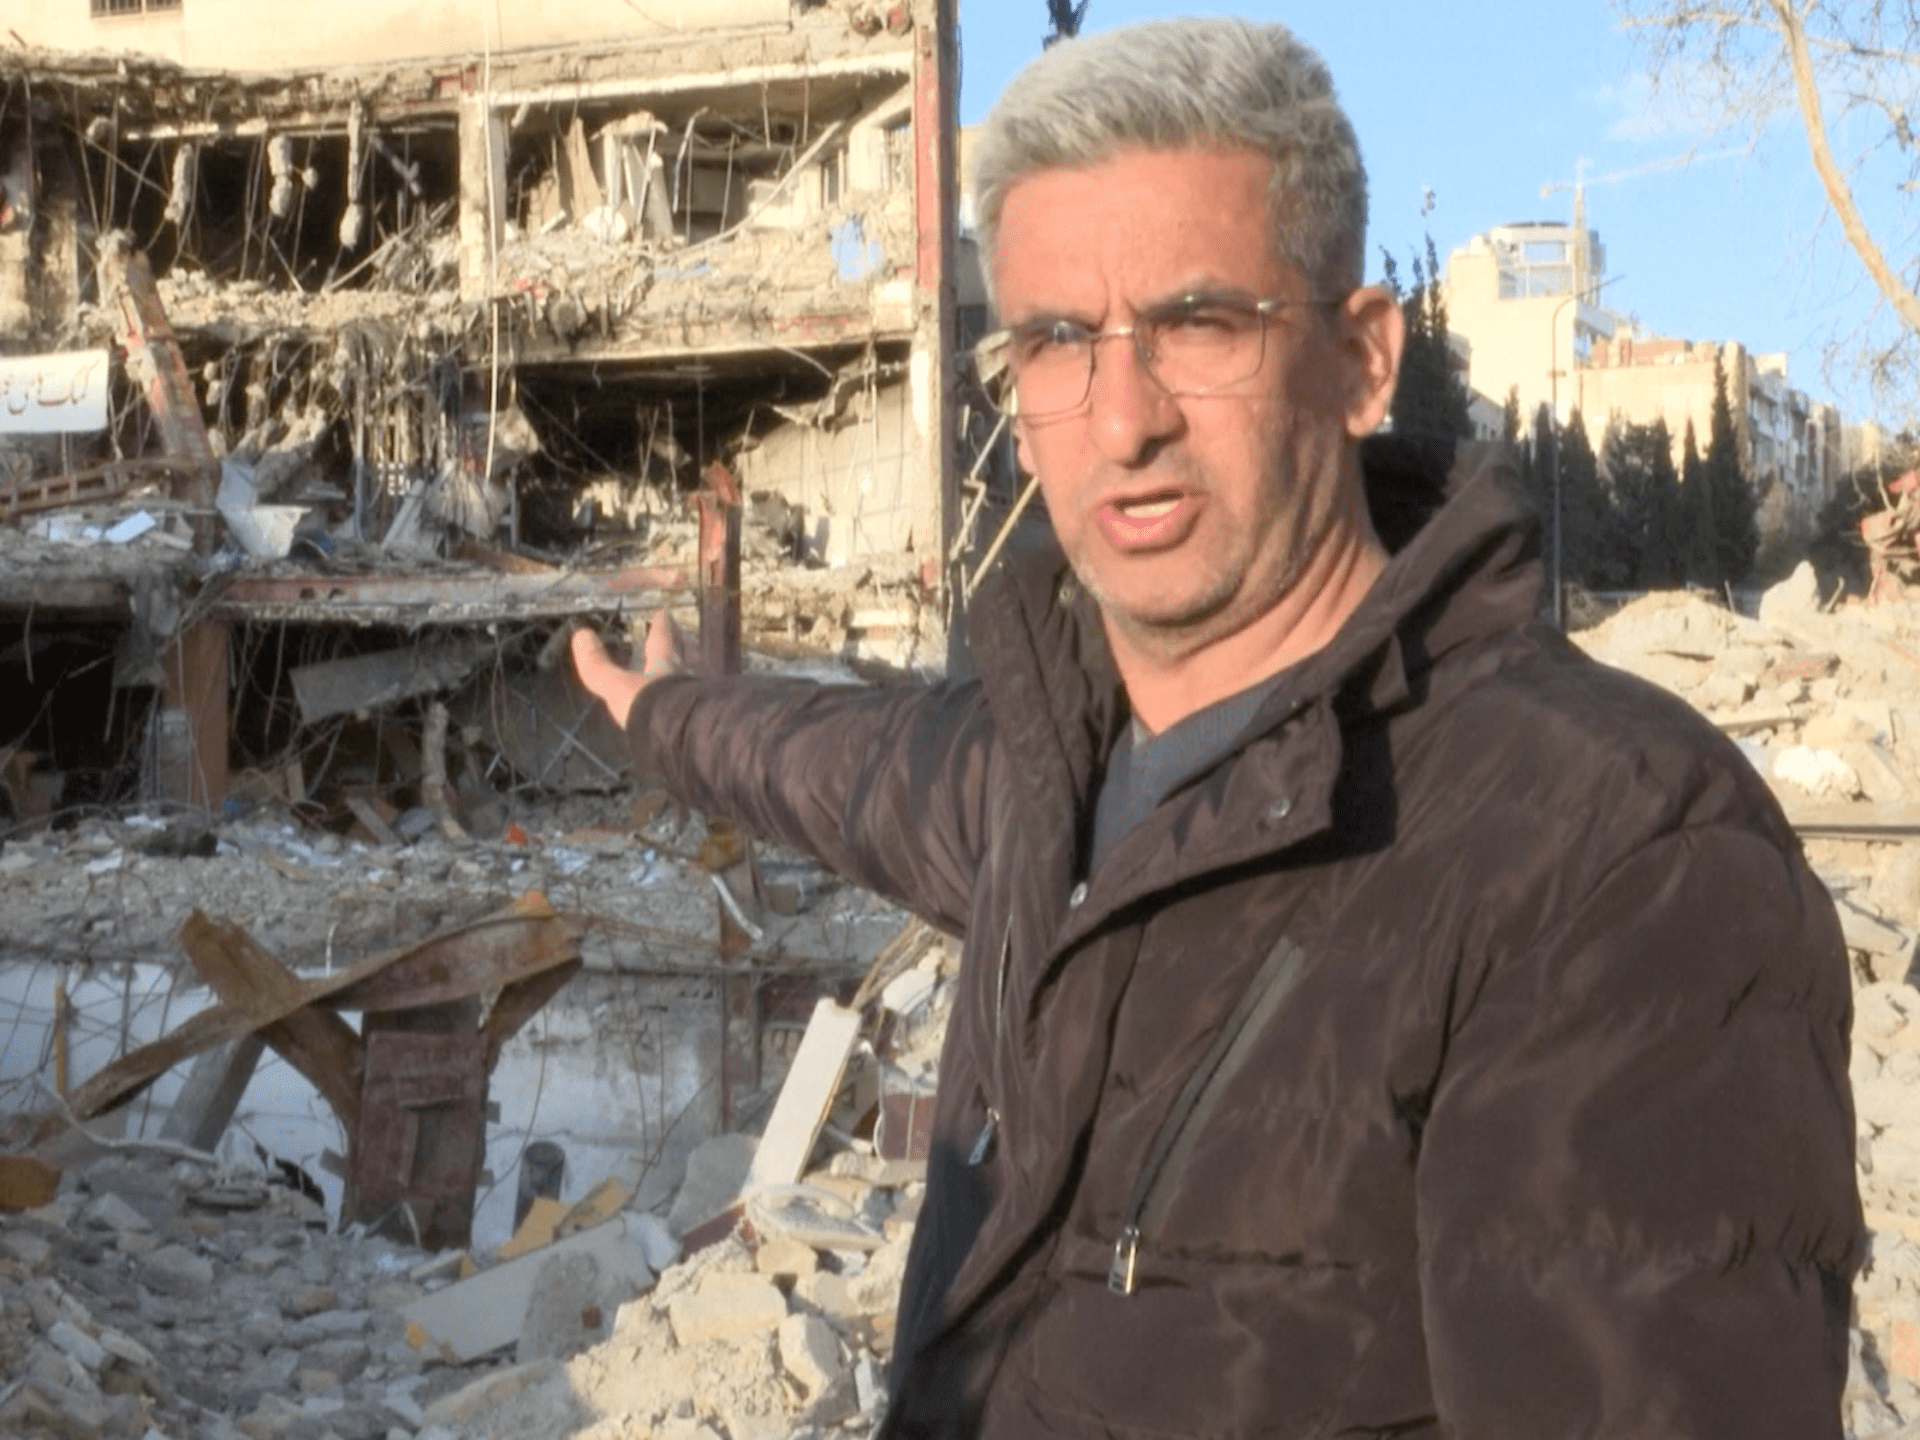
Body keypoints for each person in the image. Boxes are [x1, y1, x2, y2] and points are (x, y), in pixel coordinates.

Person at [574, 16, 1862, 1437]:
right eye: (1056, 342)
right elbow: (842, 767)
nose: (1121, 420)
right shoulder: (1046, 772)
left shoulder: (1612, 860)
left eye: (1197, 326)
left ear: (1364, 359)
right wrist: (665, 713)